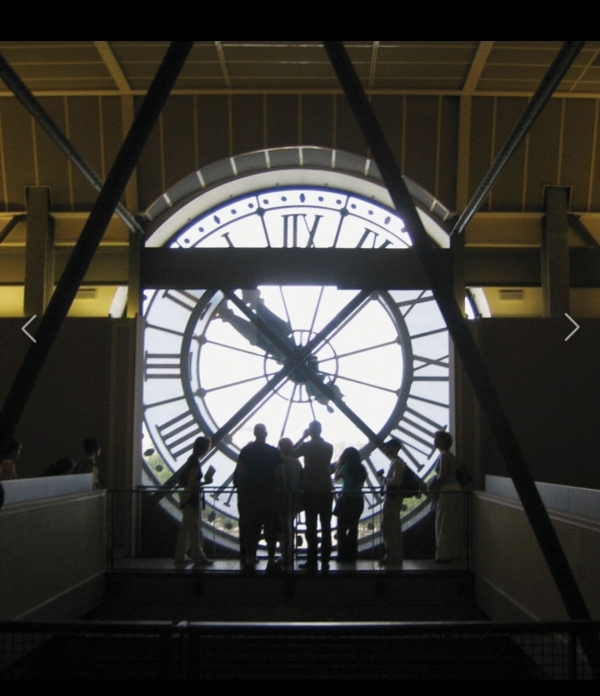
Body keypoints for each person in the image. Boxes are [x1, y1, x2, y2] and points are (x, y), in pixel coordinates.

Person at [234, 424, 283, 570]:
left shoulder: (246, 451)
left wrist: (242, 492)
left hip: (251, 495)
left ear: (254, 433)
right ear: (265, 434)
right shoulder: (274, 452)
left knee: (251, 529)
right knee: (271, 530)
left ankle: (250, 557)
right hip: (269, 495)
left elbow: (240, 472)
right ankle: (272, 558)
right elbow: (281, 474)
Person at [292, 420, 334, 571]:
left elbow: (292, 453)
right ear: (321, 430)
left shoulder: (306, 446)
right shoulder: (329, 447)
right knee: (326, 527)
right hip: (326, 490)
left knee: (311, 528)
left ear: (310, 431)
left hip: (310, 491)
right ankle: (325, 561)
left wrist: (303, 437)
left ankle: (312, 560)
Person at [174, 436, 214, 567]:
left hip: (187, 497)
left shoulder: (192, 460)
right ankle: (198, 557)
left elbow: (189, 482)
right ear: (204, 447)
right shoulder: (195, 462)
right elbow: (193, 483)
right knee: (195, 530)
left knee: (186, 528)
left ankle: (181, 556)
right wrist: (206, 482)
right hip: (192, 498)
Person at [432, 430, 462, 563]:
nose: (435, 442)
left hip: (447, 490)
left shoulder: (443, 455)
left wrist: (433, 481)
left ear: (441, 442)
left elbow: (441, 475)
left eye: (436, 439)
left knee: (442, 522)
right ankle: (451, 553)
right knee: (450, 522)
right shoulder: (450, 455)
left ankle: (443, 555)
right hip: (455, 489)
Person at [334, 447, 367, 563]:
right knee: (353, 529)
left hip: (345, 500)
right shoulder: (362, 469)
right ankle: (352, 555)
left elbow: (336, 478)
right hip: (358, 501)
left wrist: (341, 464)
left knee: (342, 529)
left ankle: (342, 555)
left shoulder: (344, 468)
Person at [378, 438, 407, 566]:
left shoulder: (396, 463)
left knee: (388, 525)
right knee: (392, 525)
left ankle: (390, 554)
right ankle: (394, 555)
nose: (386, 450)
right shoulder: (398, 463)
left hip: (391, 497)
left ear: (393, 448)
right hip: (395, 497)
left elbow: (394, 481)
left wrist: (383, 480)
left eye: (387, 448)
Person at [277, 437, 303, 567]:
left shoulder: (281, 462)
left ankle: (285, 555)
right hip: (294, 498)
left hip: (282, 498)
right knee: (288, 526)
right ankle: (288, 555)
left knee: (283, 528)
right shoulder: (296, 463)